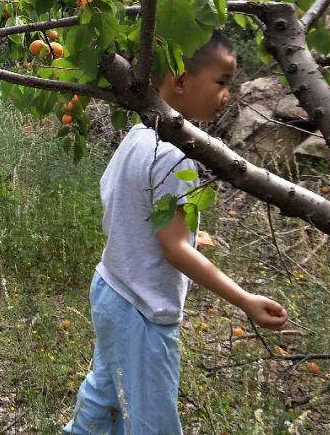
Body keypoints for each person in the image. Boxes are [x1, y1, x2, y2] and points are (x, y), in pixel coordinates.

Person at [64, 31, 289, 434]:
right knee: (154, 421)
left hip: (111, 288)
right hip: (143, 309)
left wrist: (183, 238)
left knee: (105, 395)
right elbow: (172, 249)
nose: (227, 95)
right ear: (182, 80)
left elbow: (120, 202)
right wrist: (245, 300)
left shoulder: (138, 137)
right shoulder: (175, 156)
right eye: (222, 82)